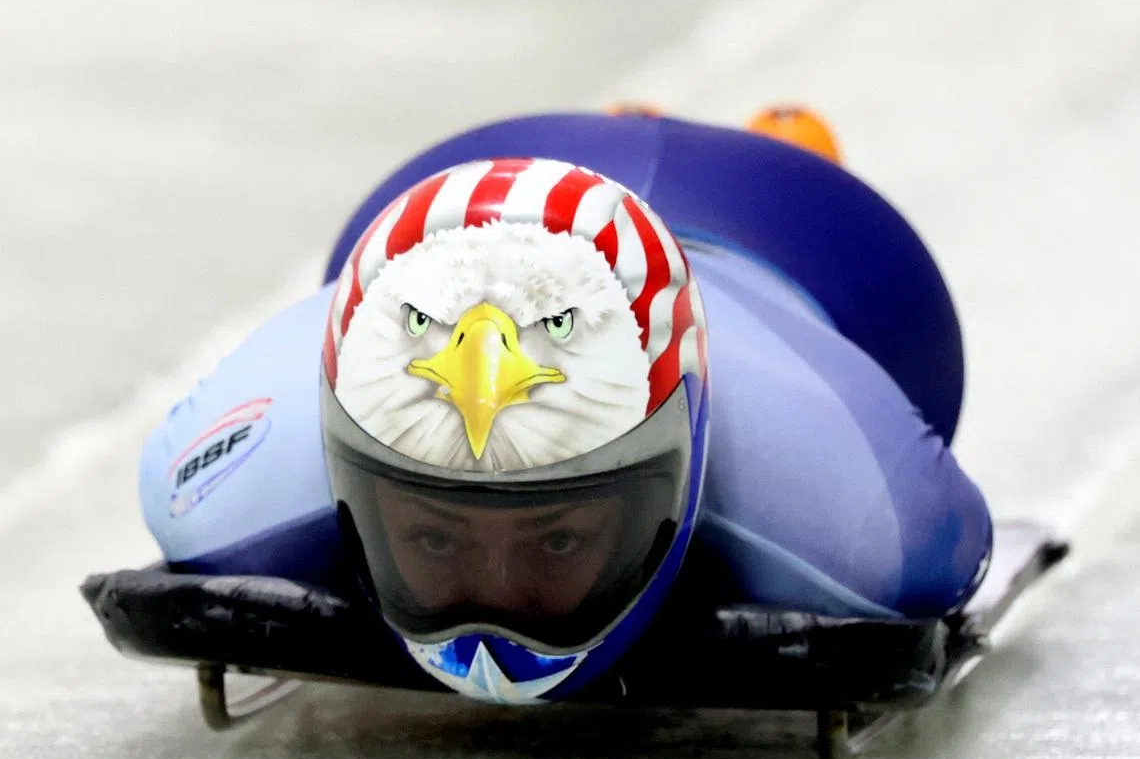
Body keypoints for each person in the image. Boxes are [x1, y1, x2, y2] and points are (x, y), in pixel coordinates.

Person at [138, 110, 992, 703]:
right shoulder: (875, 539)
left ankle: (785, 149)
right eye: (433, 538)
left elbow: (943, 540)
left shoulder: (870, 526)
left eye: (555, 539)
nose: (497, 604)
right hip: (502, 192)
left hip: (789, 222)